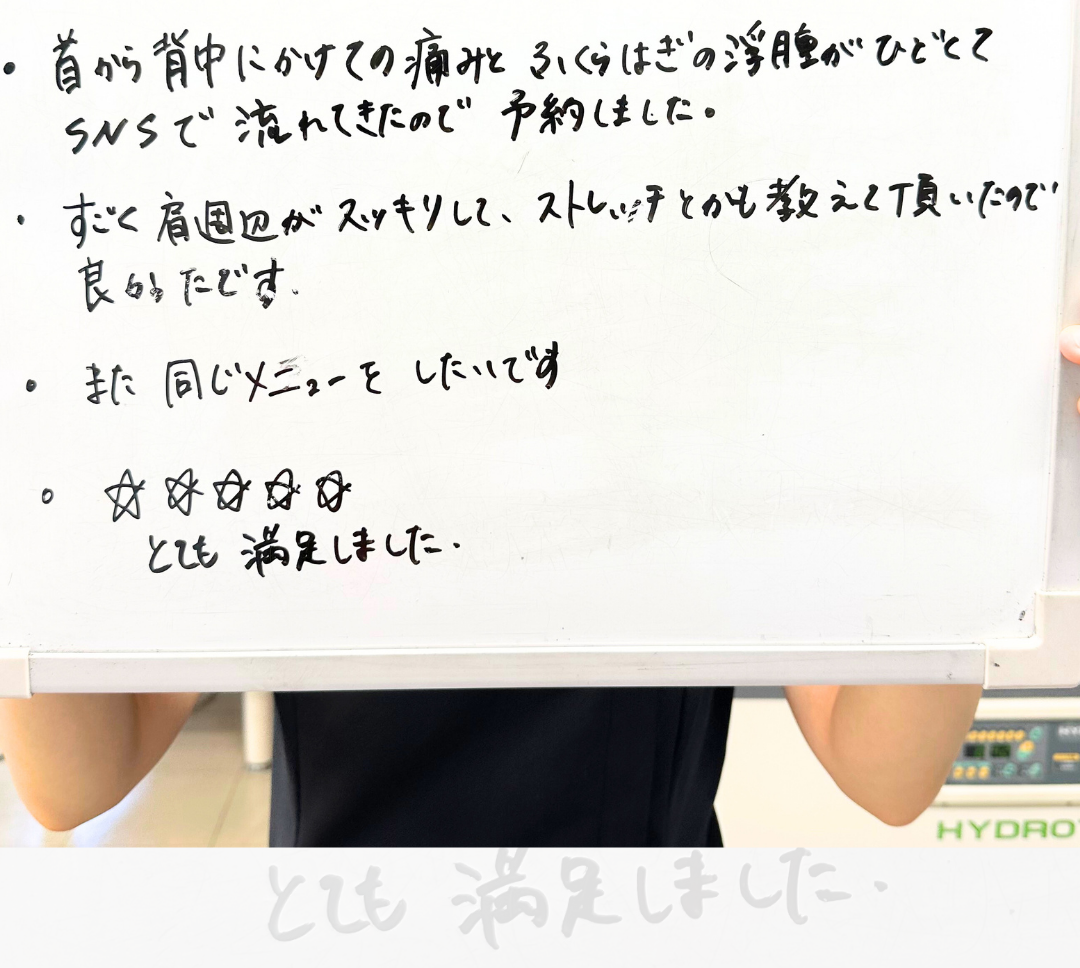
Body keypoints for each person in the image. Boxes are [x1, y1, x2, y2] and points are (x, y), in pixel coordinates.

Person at [11, 321, 1080, 845]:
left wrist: (980, 483)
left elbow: (884, 773)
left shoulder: (705, 378)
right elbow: (74, 782)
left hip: (645, 925)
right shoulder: (298, 371)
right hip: (350, 919)